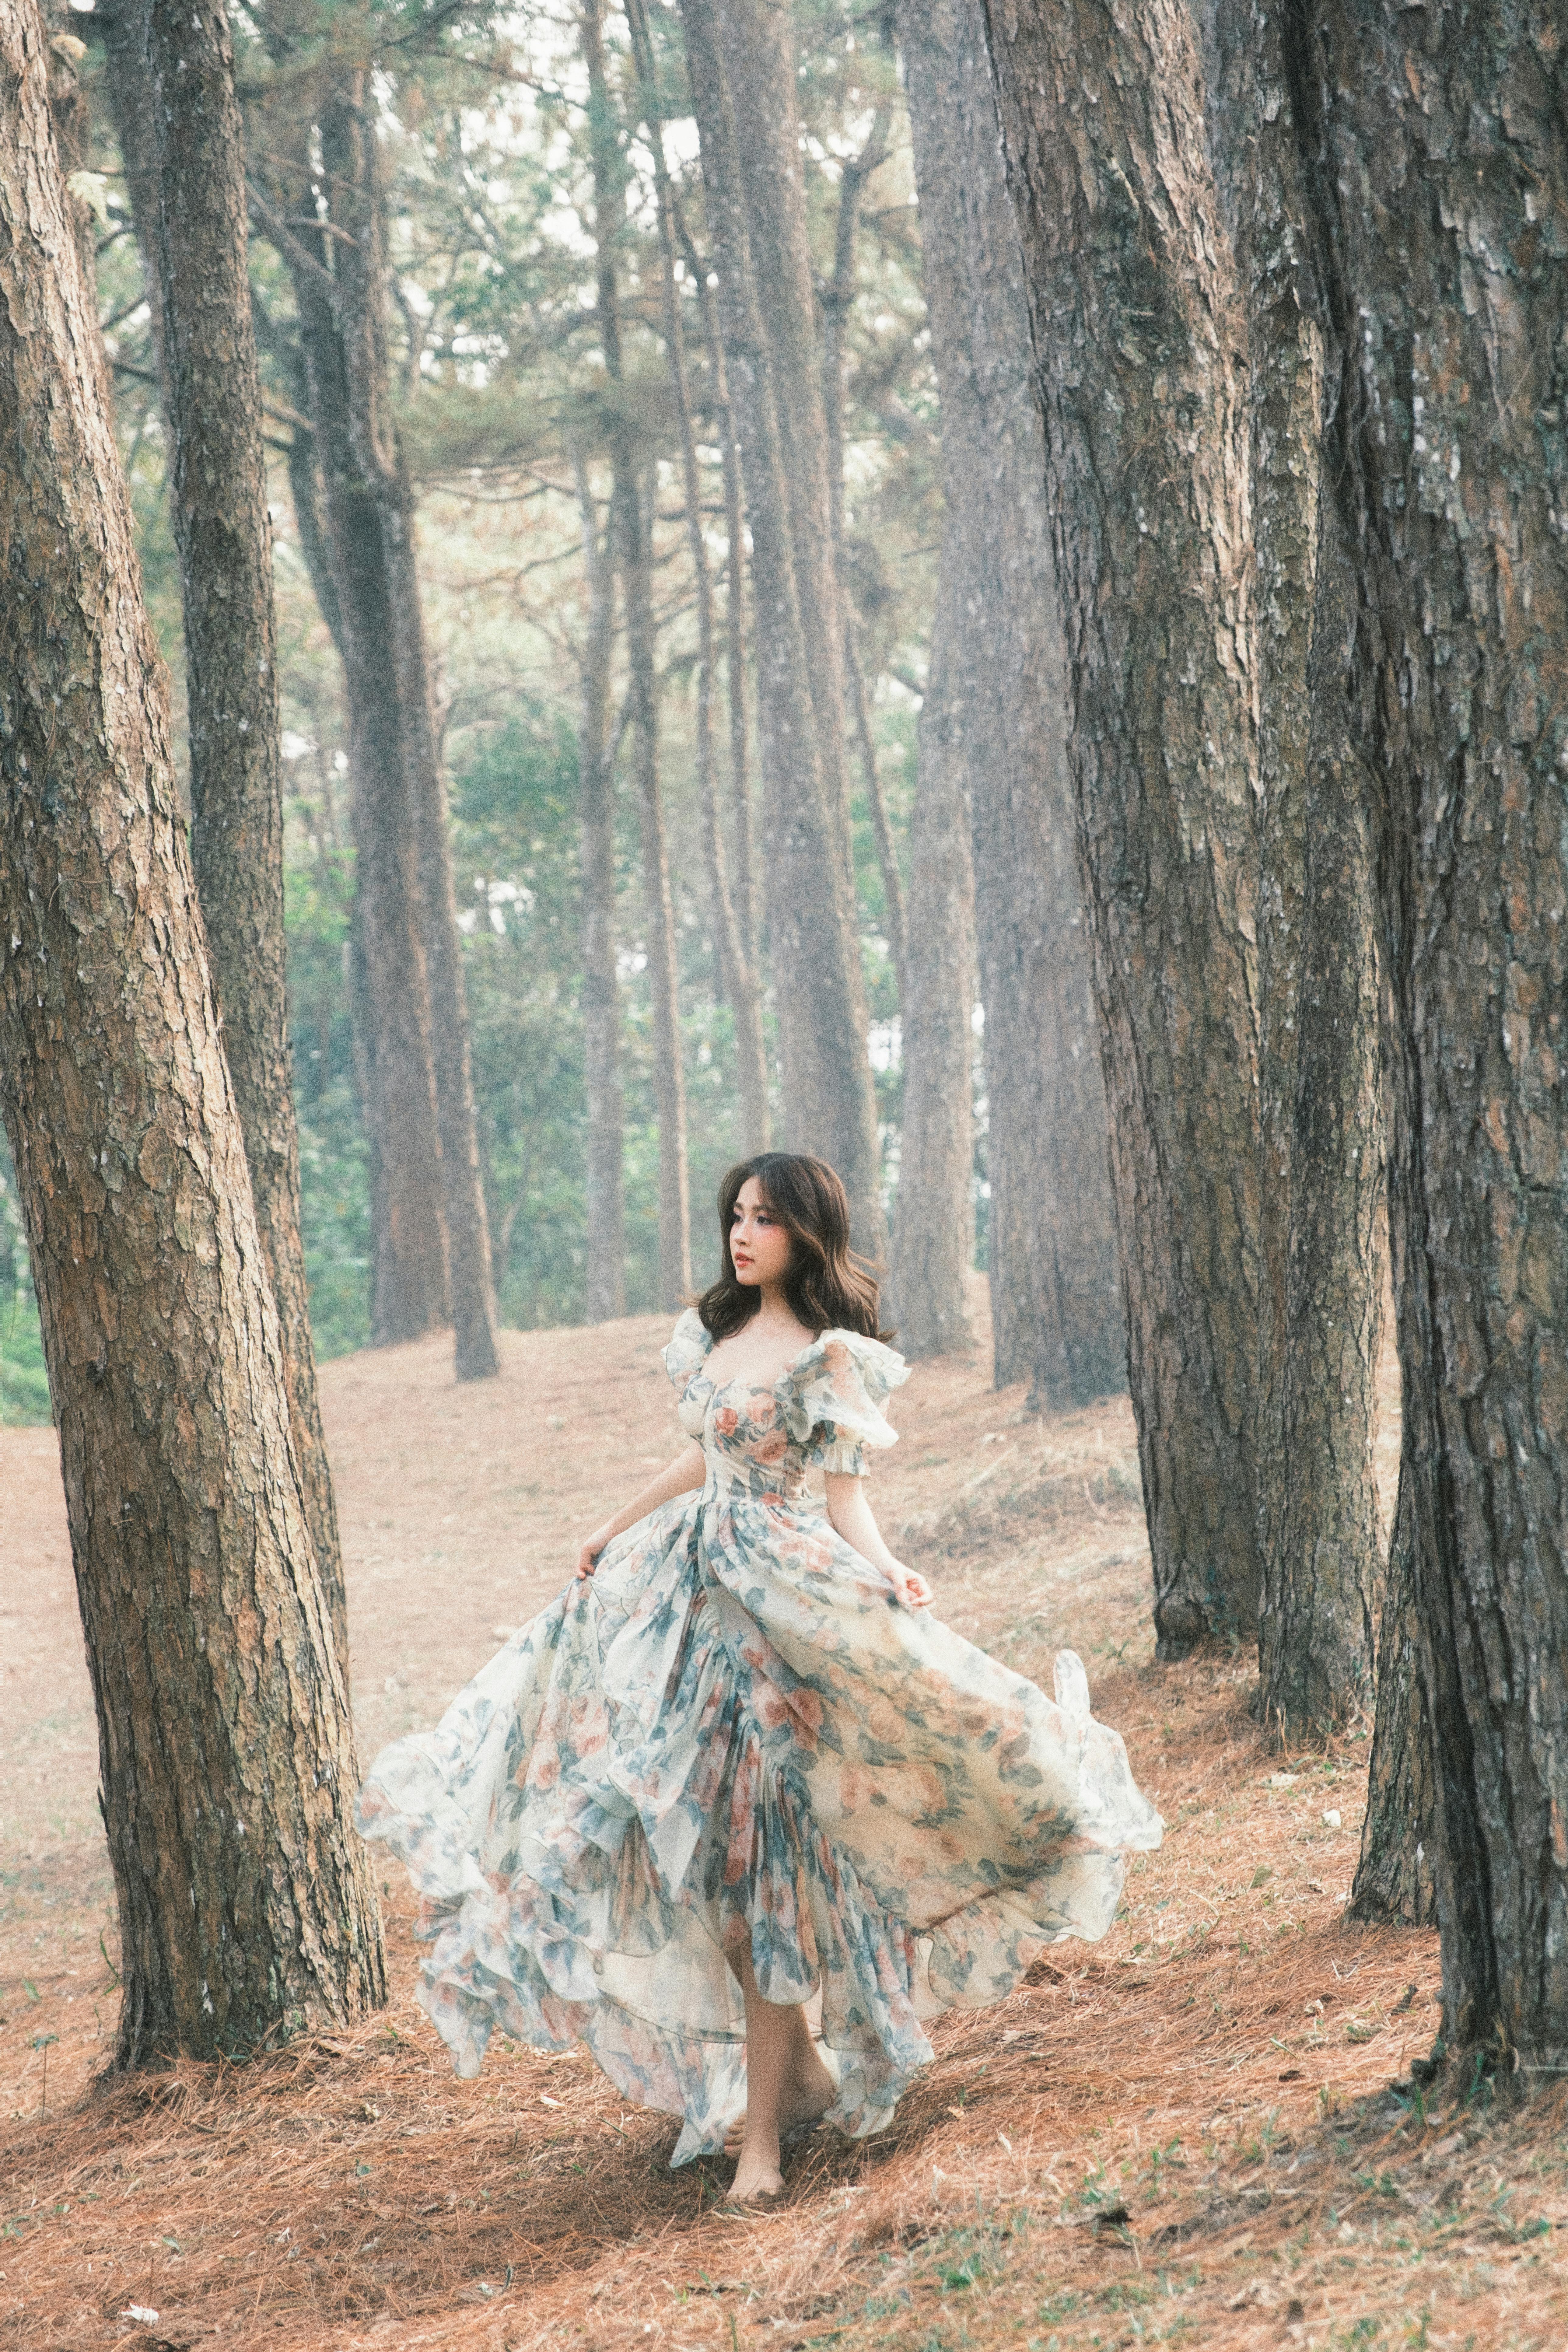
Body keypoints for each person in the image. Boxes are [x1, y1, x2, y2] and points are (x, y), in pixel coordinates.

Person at [357, 1151, 1160, 2203]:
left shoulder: (829, 1357)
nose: (743, 1235)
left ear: (806, 1234)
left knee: (762, 1865)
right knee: (708, 1862)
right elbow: (705, 1457)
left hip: (784, 1608)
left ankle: (763, 2145)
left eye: (767, 1220)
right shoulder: (718, 1338)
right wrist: (612, 1523)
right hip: (688, 1608)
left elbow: (845, 1495)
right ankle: (807, 2079)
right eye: (737, 1216)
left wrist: (885, 1568)